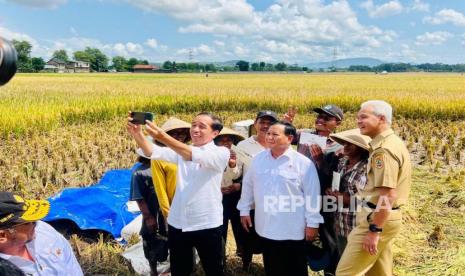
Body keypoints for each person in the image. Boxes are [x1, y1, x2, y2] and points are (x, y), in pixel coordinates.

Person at [127, 112, 229, 276]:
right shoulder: (181, 153)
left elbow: (191, 154)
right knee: (180, 269)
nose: (195, 129)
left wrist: (162, 136)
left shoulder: (220, 153)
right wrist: (137, 134)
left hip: (207, 223)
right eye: (193, 125)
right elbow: (152, 151)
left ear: (215, 133)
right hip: (178, 222)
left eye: (201, 126)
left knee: (214, 269)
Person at [238, 121, 324, 276]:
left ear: (289, 138)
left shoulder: (303, 163)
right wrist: (244, 209)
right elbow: (248, 185)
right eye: (268, 133)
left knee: (295, 268)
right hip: (266, 226)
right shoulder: (258, 159)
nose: (269, 137)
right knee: (272, 267)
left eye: (275, 134)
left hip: (293, 228)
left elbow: (312, 195)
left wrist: (313, 223)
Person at [336, 100, 412, 276]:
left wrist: (374, 230)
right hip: (385, 217)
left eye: (363, 117)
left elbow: (388, 195)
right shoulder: (392, 143)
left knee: (345, 272)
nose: (358, 121)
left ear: (381, 118)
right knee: (379, 272)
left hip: (377, 217)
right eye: (357, 117)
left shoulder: (383, 151)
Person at [285, 104, 344, 275]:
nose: (320, 121)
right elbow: (282, 137)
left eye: (326, 118)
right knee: (298, 234)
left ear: (337, 123)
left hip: (324, 200)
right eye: (319, 117)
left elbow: (337, 178)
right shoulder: (304, 135)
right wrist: (286, 123)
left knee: (328, 236)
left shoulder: (340, 146)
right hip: (298, 196)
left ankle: (331, 271)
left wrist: (320, 161)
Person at [129, 117, 191, 275]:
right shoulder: (140, 172)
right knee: (152, 242)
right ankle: (153, 270)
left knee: (178, 243)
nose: (179, 137)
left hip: (177, 210)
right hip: (155, 213)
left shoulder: (181, 162)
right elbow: (138, 197)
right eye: (174, 134)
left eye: (182, 134)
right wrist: (148, 217)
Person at [0, 192, 83, 276]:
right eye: (28, 222)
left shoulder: (44, 231)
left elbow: (71, 265)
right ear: (2, 236)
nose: (36, 223)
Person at [235, 110, 278, 270]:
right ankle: (246, 264)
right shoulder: (243, 145)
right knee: (248, 235)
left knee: (269, 236)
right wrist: (232, 166)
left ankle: (269, 266)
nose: (265, 126)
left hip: (272, 202)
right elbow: (237, 173)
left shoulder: (279, 145)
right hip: (251, 200)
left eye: (270, 123)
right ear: (255, 124)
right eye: (262, 122)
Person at [327, 128, 371, 264]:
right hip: (340, 222)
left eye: (350, 144)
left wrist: (342, 198)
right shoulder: (342, 162)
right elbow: (338, 188)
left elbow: (368, 202)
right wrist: (332, 192)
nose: (345, 146)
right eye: (345, 143)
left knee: (356, 264)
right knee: (342, 259)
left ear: (361, 148)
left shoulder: (367, 168)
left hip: (356, 225)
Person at [214, 127, 245, 255]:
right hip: (217, 197)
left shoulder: (239, 155)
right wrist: (217, 189)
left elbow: (238, 175)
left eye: (229, 140)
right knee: (221, 228)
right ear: (216, 142)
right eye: (222, 140)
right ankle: (221, 257)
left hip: (235, 195)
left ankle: (243, 255)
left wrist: (232, 164)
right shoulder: (211, 156)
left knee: (239, 227)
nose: (226, 143)